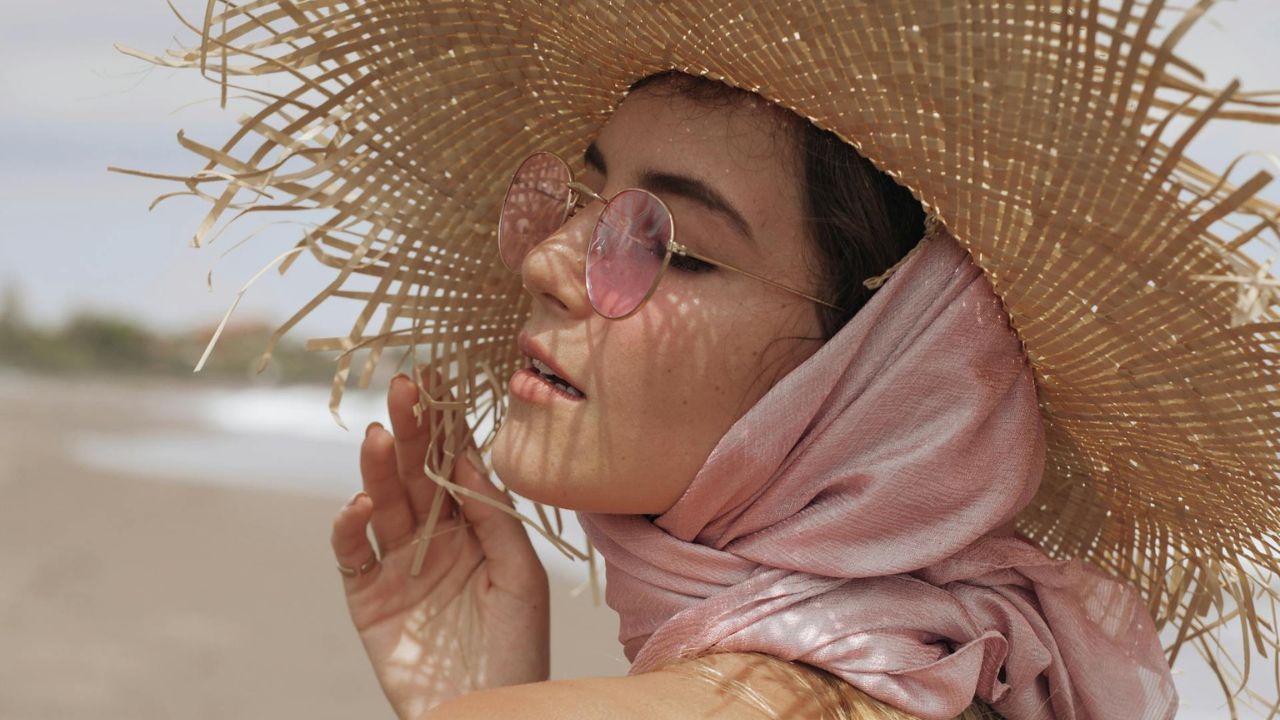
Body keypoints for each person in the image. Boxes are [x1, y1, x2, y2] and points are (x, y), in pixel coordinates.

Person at [120, 2, 1280, 719]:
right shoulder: (968, 686)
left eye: (665, 244)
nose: (551, 262)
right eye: (577, 202)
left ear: (873, 381)